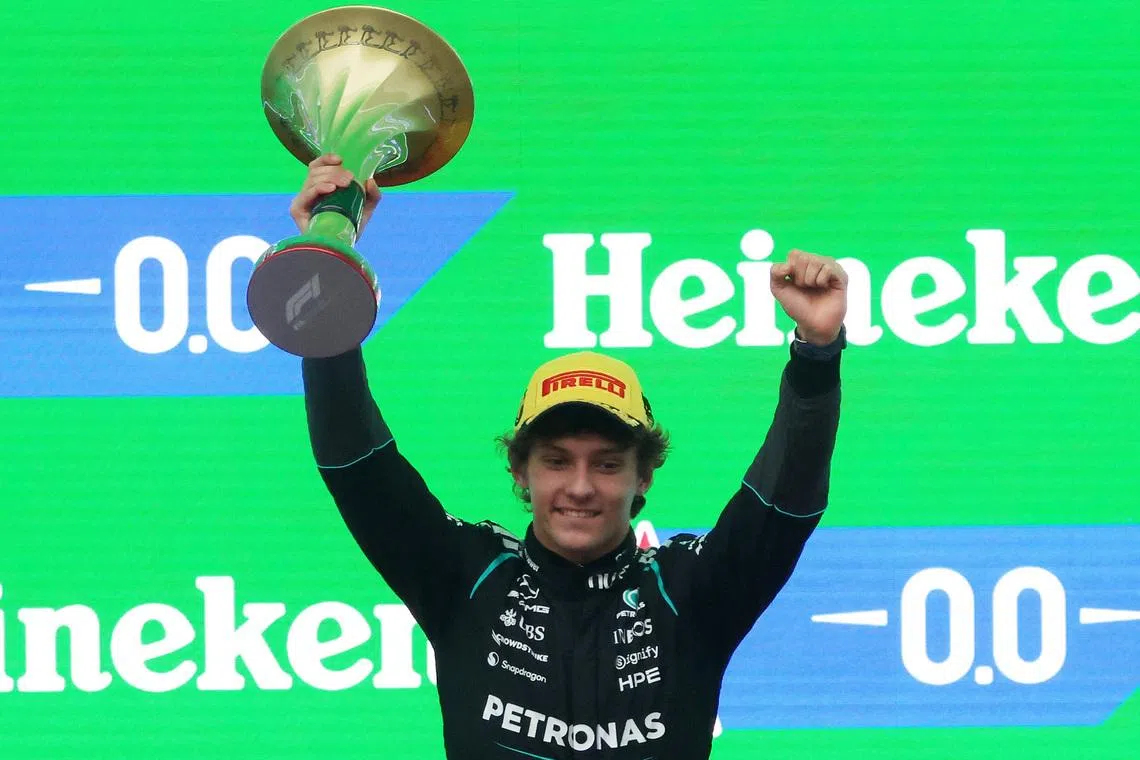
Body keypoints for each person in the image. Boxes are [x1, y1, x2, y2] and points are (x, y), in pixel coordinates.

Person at [297, 155, 847, 759]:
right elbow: (358, 466)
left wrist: (816, 353)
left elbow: (784, 504)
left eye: (608, 464)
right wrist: (330, 261)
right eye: (556, 460)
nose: (580, 486)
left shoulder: (690, 591)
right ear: (520, 473)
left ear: (644, 479)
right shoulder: (466, 576)